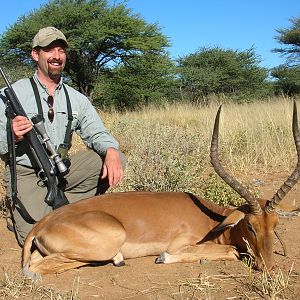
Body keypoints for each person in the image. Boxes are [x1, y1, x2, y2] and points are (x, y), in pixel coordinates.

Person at [0, 26, 126, 246]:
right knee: (40, 240)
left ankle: (65, 211)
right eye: (49, 50)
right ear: (35, 54)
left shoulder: (76, 98)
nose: (56, 56)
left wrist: (111, 150)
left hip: (60, 171)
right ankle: (32, 211)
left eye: (61, 50)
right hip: (26, 174)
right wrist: (12, 135)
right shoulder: (10, 95)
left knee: (113, 157)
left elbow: (97, 132)